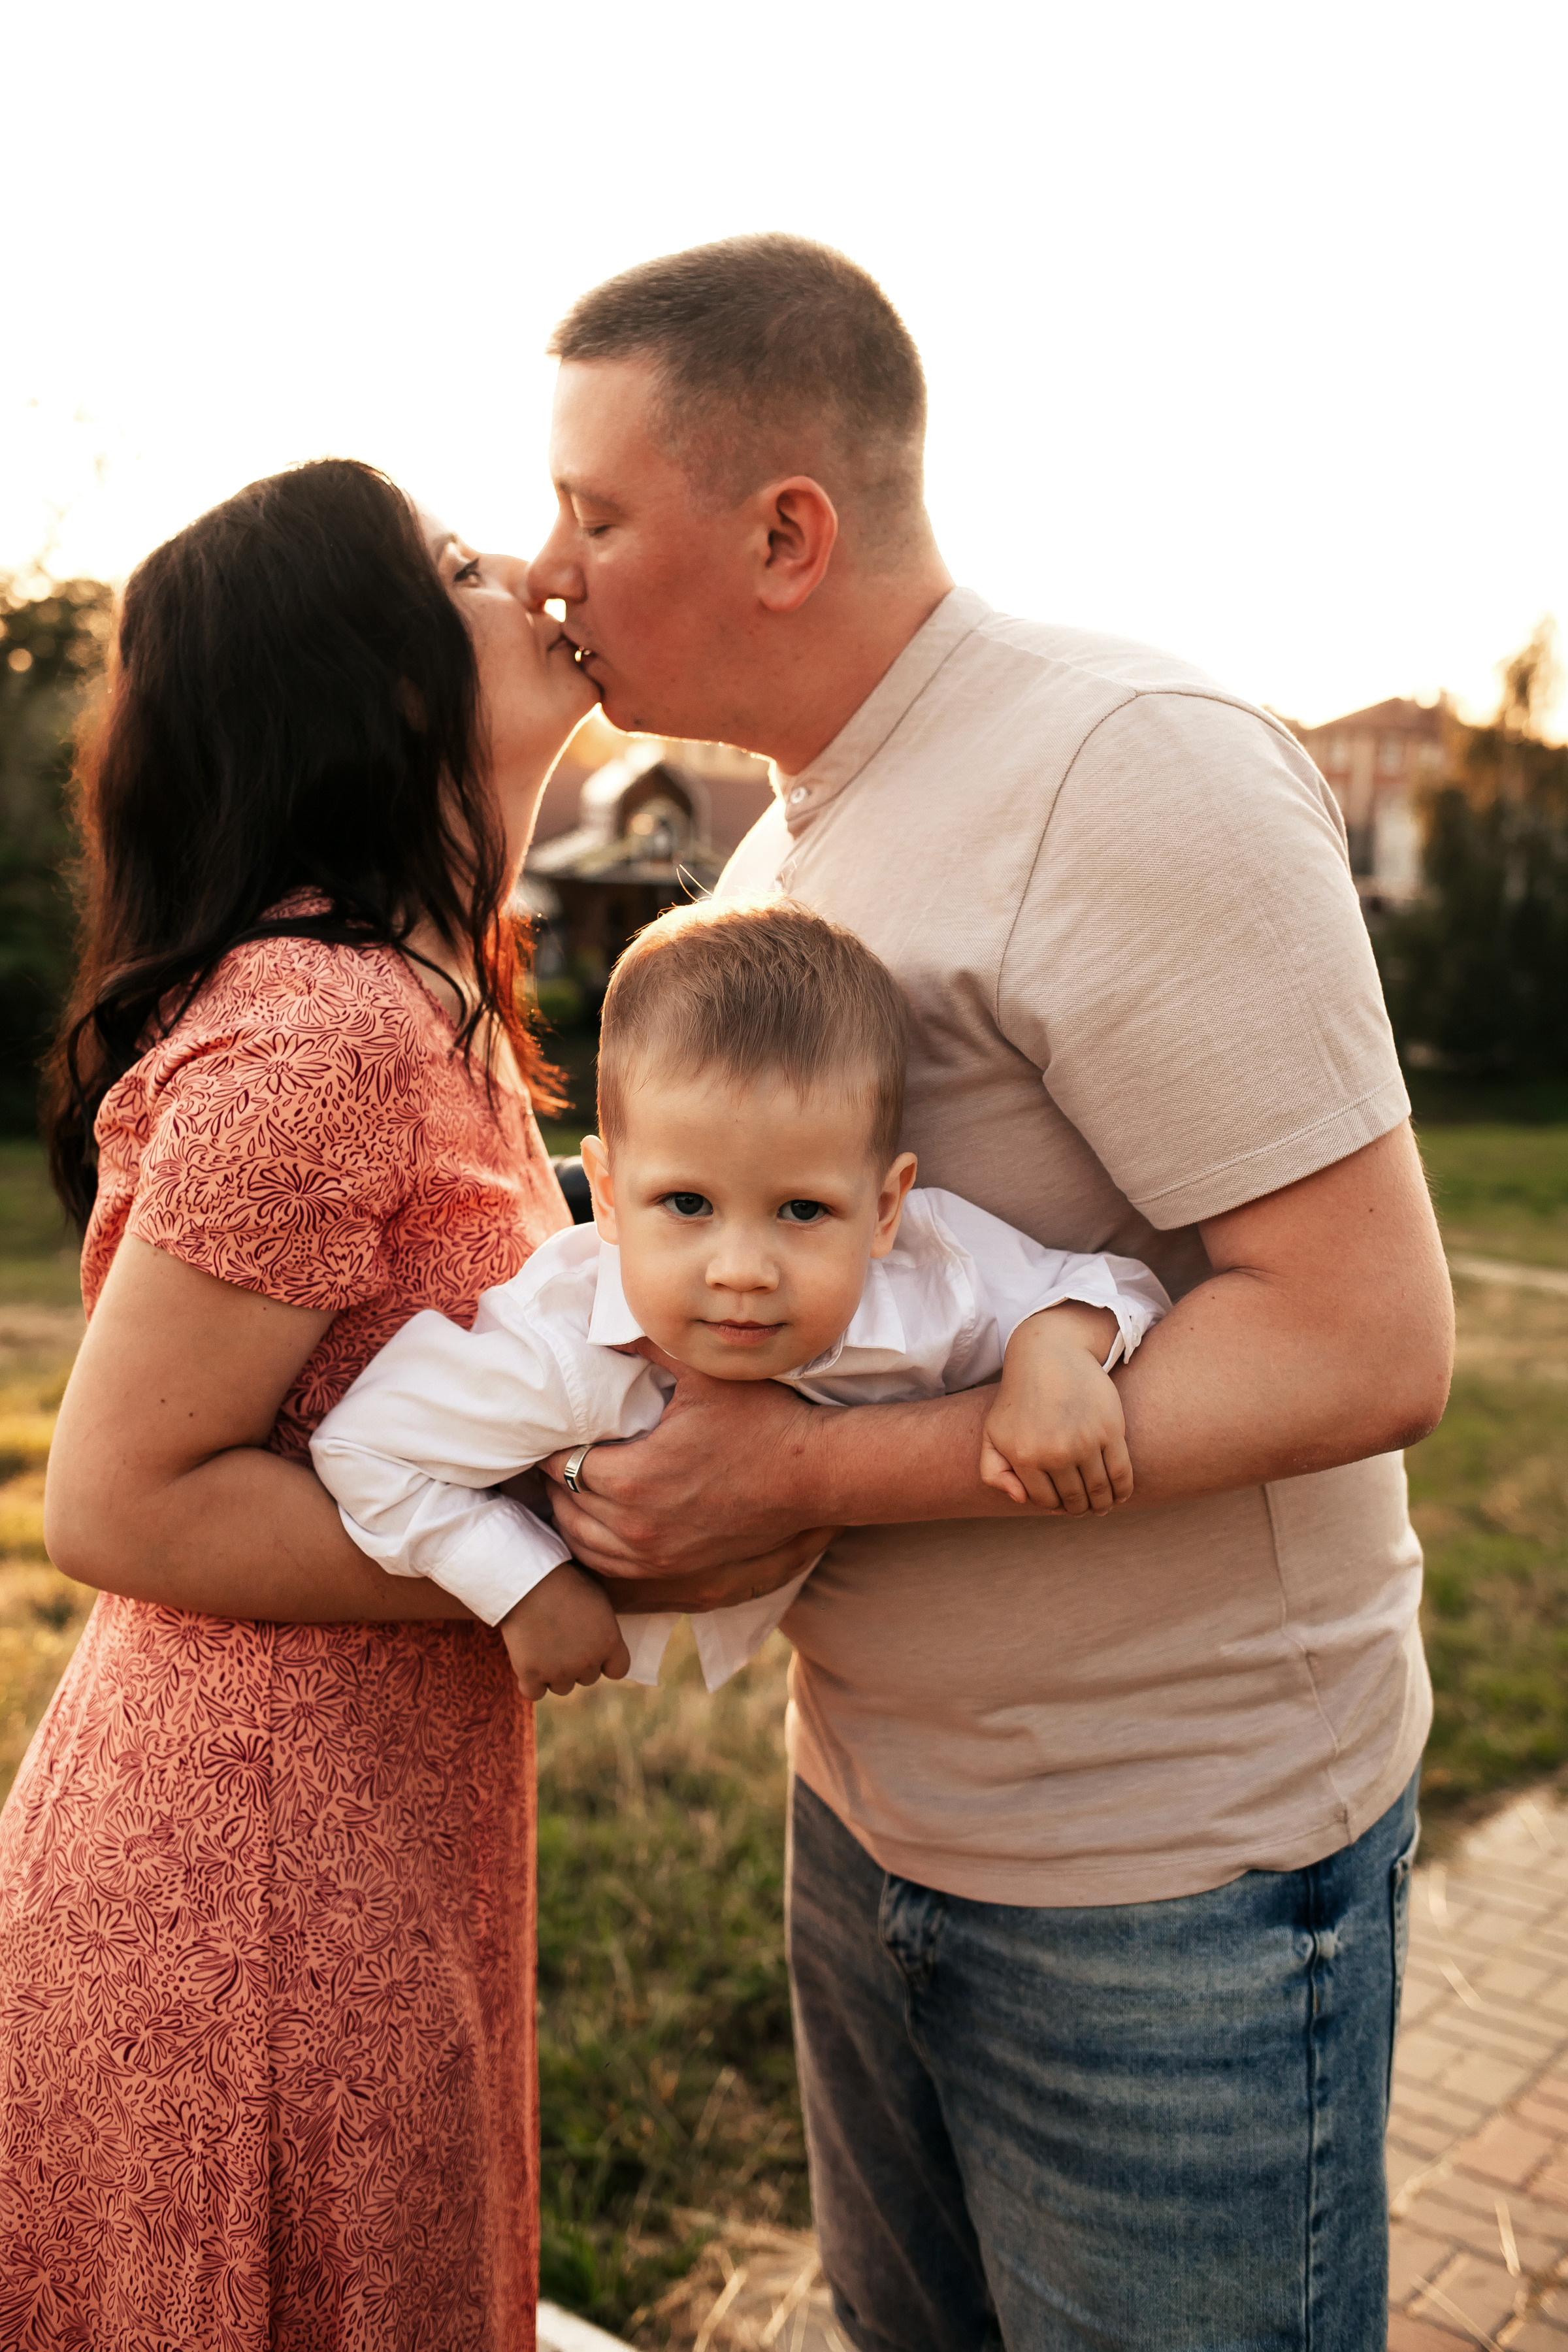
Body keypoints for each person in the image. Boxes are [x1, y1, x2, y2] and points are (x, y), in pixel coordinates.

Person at [523, 235, 1458, 2350]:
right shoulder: (770, 873)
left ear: (785, 530)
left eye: (593, 510)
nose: (548, 562)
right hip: (872, 1833)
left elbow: (1366, 1333)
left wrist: (794, 1479)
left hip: (1174, 1890)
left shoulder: (1124, 768)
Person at [0, 459, 604, 2349]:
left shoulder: (425, 998)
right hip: (251, 1888)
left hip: (366, 1821)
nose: (524, 569)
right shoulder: (326, 1032)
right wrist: (535, 1570)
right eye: (457, 561)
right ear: (383, 676)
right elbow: (119, 1500)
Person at [309, 896, 1169, 1695]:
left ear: (882, 1211)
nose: (743, 1270)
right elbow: (364, 1450)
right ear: (606, 1196)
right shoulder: (560, 1350)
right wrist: (522, 1585)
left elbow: (1114, 1282)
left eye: (803, 1210)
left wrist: (1054, 1349)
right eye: (688, 1205)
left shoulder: (924, 1277)